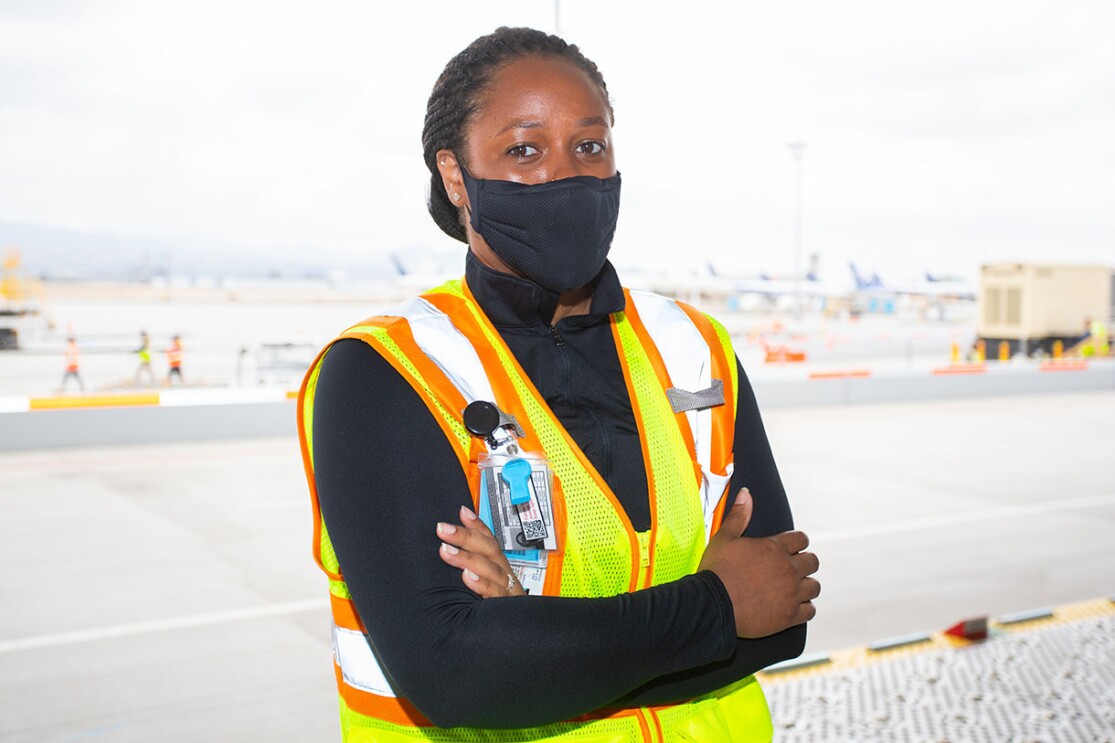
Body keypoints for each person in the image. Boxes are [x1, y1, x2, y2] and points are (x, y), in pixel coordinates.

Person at [298, 27, 819, 742]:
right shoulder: (389, 370)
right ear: (456, 177)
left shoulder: (695, 349)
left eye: (589, 145)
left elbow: (780, 612)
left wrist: (530, 632)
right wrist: (715, 606)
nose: (565, 174)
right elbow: (457, 674)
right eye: (523, 149)